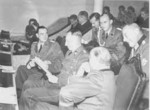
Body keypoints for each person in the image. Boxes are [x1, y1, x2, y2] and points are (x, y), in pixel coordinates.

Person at [19, 30, 89, 110]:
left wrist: (57, 80)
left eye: (68, 41)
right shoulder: (69, 52)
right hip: (55, 81)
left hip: (63, 90)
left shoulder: (84, 57)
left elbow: (78, 82)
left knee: (28, 94)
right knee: (28, 84)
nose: (65, 44)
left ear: (75, 41)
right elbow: (61, 69)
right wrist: (48, 67)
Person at [33, 47, 116, 110]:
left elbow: (65, 93)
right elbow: (83, 83)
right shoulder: (108, 75)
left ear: (94, 60)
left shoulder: (98, 78)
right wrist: (82, 68)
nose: (88, 62)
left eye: (89, 59)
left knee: (38, 106)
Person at [15, 26, 64, 99]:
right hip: (35, 69)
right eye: (42, 34)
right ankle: (18, 95)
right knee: (21, 69)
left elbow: (60, 62)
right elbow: (31, 58)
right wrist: (30, 63)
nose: (45, 36)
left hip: (44, 73)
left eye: (46, 33)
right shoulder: (34, 44)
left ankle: (25, 99)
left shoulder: (54, 45)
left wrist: (48, 64)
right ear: (37, 35)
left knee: (30, 80)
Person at [122, 23, 149, 109]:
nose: (124, 39)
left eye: (126, 35)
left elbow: (144, 76)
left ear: (136, 31)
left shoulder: (147, 47)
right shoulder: (136, 46)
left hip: (145, 96)